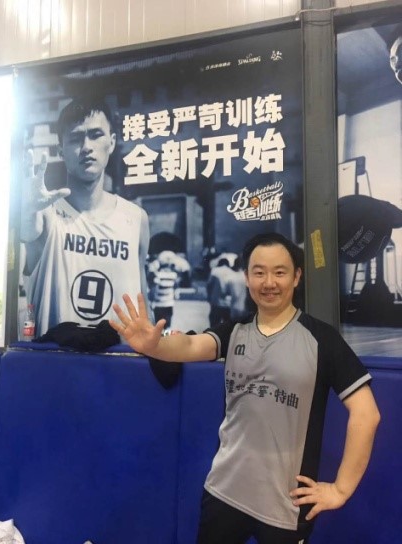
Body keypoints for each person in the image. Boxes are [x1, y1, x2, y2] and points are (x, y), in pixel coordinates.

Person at [110, 232, 380, 544]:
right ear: (247, 278)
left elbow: (367, 414)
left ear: (296, 277)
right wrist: (154, 347)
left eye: (280, 272)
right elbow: (190, 345)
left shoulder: (322, 340)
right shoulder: (235, 331)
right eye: (259, 272)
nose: (269, 282)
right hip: (223, 491)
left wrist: (340, 489)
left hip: (285, 506)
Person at [20, 95, 150, 337]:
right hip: (54, 358)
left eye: (96, 135)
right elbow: (29, 230)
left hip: (119, 358)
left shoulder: (136, 218)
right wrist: (26, 211)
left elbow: (143, 299)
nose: (87, 146)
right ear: (60, 150)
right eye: (76, 138)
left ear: (112, 142)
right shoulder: (45, 213)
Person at [206, 257, 234, 327]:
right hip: (228, 303)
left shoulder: (214, 271)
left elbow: (209, 284)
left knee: (214, 326)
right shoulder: (232, 272)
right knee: (227, 326)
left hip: (216, 302)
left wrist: (209, 297)